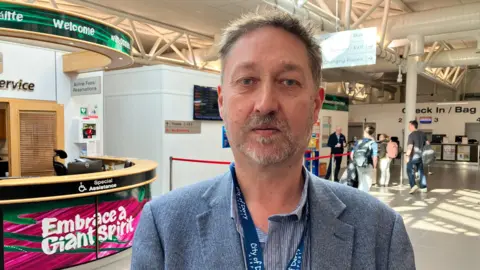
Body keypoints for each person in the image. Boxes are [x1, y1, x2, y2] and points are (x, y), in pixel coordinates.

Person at [131, 12, 415, 269]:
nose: (265, 104)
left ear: (316, 105)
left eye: (288, 81)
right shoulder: (164, 226)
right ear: (221, 103)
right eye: (247, 81)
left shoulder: (380, 231)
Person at [351, 126, 378, 192]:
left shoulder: (358, 142)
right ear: (372, 133)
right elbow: (374, 157)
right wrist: (375, 167)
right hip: (368, 164)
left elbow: (351, 155)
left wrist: (357, 162)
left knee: (361, 181)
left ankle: (360, 196)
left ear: (364, 133)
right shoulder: (373, 143)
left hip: (358, 164)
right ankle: (364, 198)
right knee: (368, 182)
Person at [406, 120, 428, 194]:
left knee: (409, 170)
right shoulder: (422, 133)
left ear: (412, 126)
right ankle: (423, 187)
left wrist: (407, 155)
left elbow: (410, 146)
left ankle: (413, 185)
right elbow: (427, 143)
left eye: (409, 125)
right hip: (421, 156)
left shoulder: (411, 135)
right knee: (421, 171)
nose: (408, 127)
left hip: (413, 156)